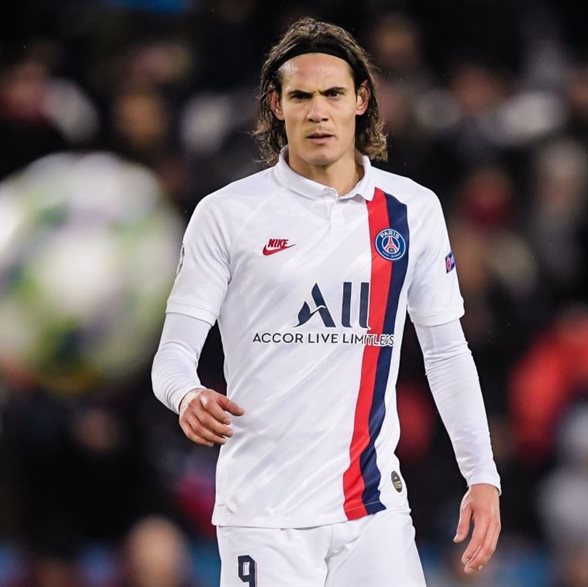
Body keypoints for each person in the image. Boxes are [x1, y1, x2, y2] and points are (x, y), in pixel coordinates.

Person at [152, 16, 501, 587]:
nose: (318, 112)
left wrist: (482, 474)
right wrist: (186, 394)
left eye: (333, 94)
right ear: (276, 105)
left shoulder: (411, 210)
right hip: (264, 514)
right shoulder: (227, 215)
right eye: (301, 96)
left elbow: (446, 352)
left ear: (361, 100)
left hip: (373, 511)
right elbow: (172, 356)